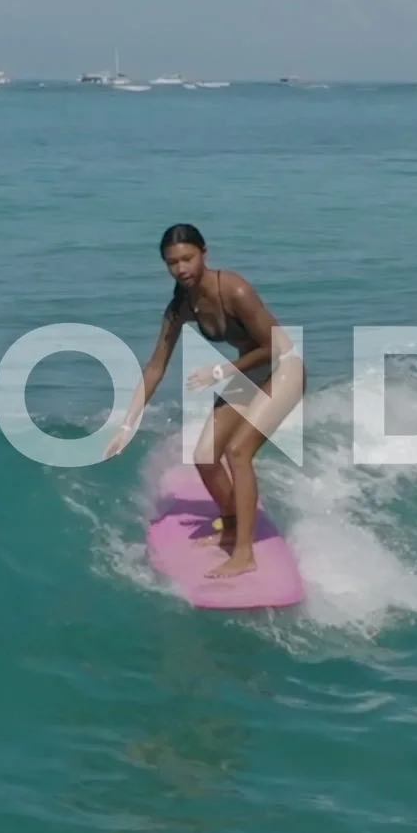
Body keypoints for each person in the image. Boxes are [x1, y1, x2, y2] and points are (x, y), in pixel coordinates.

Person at [104, 224, 305, 578]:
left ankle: (245, 553)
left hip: (284, 366)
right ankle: (231, 525)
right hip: (249, 371)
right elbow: (154, 368)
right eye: (172, 263)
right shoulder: (181, 306)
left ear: (204, 254)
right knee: (204, 456)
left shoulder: (235, 289)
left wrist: (220, 371)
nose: (181, 268)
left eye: (187, 258)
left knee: (239, 451)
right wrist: (126, 424)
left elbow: (272, 346)